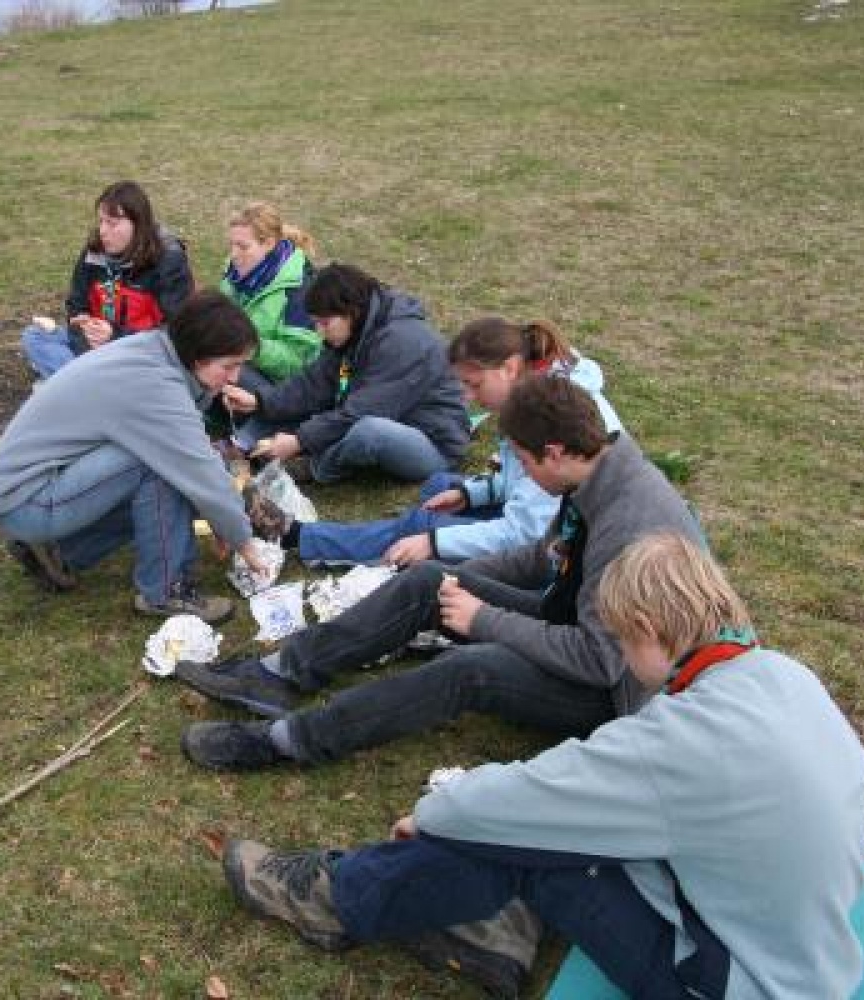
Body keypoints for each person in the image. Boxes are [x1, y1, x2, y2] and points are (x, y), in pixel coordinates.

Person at [215, 532, 864, 1000]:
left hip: (735, 981)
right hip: (809, 957)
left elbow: (523, 801)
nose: (620, 656)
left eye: (621, 639)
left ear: (648, 628)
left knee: (528, 838)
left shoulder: (689, 740)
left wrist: (435, 813)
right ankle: (491, 924)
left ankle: (338, 898)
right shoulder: (783, 675)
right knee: (563, 823)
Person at [175, 374, 701, 767]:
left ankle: (291, 741)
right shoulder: (593, 478)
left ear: (555, 452)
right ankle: (281, 673)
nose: (522, 475)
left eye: (523, 462)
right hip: (571, 625)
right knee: (431, 583)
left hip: (613, 692)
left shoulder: (628, 526)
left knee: (472, 669)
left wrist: (484, 619)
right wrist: (459, 581)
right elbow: (543, 557)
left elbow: (599, 661)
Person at [246, 317, 624, 567]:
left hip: (561, 550)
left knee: (422, 525)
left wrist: (434, 542)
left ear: (509, 368)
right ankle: (394, 542)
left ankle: (299, 536)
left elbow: (525, 533)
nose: (468, 398)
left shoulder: (547, 419)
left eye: (474, 385)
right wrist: (472, 494)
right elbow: (524, 483)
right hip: (550, 525)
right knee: (442, 488)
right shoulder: (540, 393)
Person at [0, 290, 265, 624]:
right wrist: (243, 540)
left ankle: (63, 552)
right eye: (229, 366)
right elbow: (199, 469)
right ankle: (167, 591)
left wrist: (221, 516)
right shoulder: (154, 384)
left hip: (25, 488)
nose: (234, 378)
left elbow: (196, 456)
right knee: (158, 466)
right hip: (26, 501)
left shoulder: (154, 351)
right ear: (197, 357)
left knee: (164, 461)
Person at [223, 263, 469, 484]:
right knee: (317, 411)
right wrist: (259, 401)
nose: (319, 332)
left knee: (369, 431)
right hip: (383, 416)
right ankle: (241, 446)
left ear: (351, 311)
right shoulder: (358, 329)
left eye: (325, 323)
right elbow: (314, 385)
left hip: (431, 444)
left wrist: (299, 441)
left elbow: (363, 412)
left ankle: (315, 467)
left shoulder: (403, 341)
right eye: (316, 323)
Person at [20, 180, 194, 380]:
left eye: (112, 223)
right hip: (95, 348)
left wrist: (115, 336)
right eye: (101, 221)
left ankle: (74, 381)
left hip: (140, 355)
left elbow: (176, 332)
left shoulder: (168, 260)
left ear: (138, 225)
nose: (103, 231)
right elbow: (76, 303)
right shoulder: (94, 253)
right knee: (35, 336)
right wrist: (82, 321)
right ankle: (88, 383)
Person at [218, 202, 322, 396]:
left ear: (268, 244)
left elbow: (299, 364)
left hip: (280, 388)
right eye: (231, 245)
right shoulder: (235, 271)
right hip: (238, 357)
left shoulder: (299, 290)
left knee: (218, 368)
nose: (233, 254)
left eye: (243, 247)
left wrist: (252, 347)